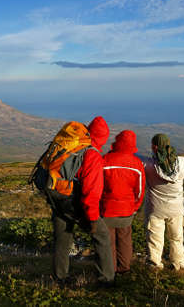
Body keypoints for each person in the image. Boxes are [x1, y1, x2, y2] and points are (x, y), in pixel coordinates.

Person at [52, 116, 115, 286]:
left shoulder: (73, 146)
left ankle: (60, 277)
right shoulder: (92, 155)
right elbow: (91, 192)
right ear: (103, 138)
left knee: (62, 236)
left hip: (57, 196)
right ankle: (106, 279)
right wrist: (93, 218)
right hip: (74, 202)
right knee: (102, 235)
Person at [140, 133, 184, 270]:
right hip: (176, 208)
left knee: (154, 239)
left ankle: (154, 264)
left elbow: (135, 159)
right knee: (176, 238)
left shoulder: (148, 165)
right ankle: (178, 263)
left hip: (155, 208)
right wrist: (183, 196)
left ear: (154, 147)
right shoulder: (183, 162)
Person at [102, 130, 145, 275]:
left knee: (108, 242)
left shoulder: (105, 160)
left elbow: (97, 186)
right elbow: (139, 191)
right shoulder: (137, 164)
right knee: (125, 240)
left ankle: (110, 271)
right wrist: (135, 207)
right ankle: (124, 269)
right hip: (127, 210)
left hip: (107, 209)